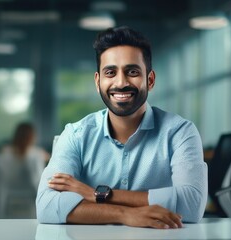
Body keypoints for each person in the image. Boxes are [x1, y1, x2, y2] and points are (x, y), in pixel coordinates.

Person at [36, 26, 207, 229]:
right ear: (98, 81)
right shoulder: (75, 134)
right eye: (110, 72)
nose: (121, 82)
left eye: (132, 72)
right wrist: (126, 214)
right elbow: (47, 206)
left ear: (150, 80)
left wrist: (95, 194)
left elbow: (192, 205)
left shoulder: (180, 132)